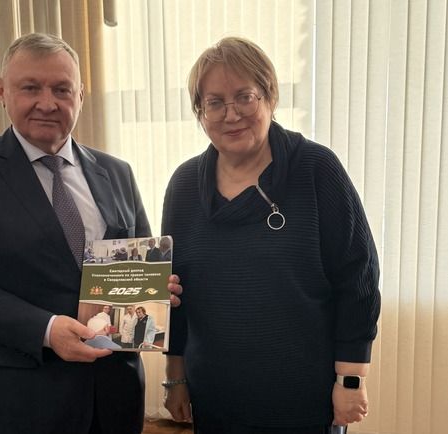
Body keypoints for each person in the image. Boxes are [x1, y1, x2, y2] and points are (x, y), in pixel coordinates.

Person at [0, 32, 182, 434]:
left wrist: (156, 290)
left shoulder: (117, 172)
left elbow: (140, 267)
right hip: (24, 399)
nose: (47, 103)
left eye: (62, 89)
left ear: (80, 94)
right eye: (30, 87)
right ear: (2, 91)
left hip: (115, 395)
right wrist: (45, 330)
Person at [162, 36, 381, 434]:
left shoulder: (316, 170)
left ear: (270, 96)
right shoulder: (183, 187)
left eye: (244, 97)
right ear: (200, 112)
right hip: (215, 395)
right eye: (214, 102)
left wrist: (351, 379)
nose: (231, 114)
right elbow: (175, 294)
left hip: (304, 396)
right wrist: (175, 377)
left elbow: (358, 278)